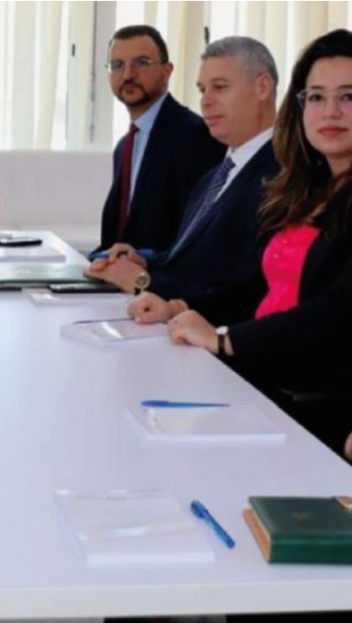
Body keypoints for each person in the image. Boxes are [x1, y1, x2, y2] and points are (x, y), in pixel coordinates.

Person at [128, 29, 352, 458]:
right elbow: (264, 285)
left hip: (320, 402)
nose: (331, 111)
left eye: (348, 96)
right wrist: (181, 308)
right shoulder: (310, 189)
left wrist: (226, 340)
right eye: (316, 97)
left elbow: (338, 311)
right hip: (269, 381)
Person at [88, 37, 280, 300]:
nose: (206, 101)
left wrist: (142, 281)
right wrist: (143, 260)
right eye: (202, 90)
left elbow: (244, 292)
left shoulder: (284, 176)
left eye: (220, 87)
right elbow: (188, 259)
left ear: (262, 87)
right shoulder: (215, 176)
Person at [96, 25, 225, 254]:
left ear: (166, 71)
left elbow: (196, 236)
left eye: (141, 63)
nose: (127, 75)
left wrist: (145, 264)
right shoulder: (124, 147)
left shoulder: (195, 136)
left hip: (162, 275)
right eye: (117, 65)